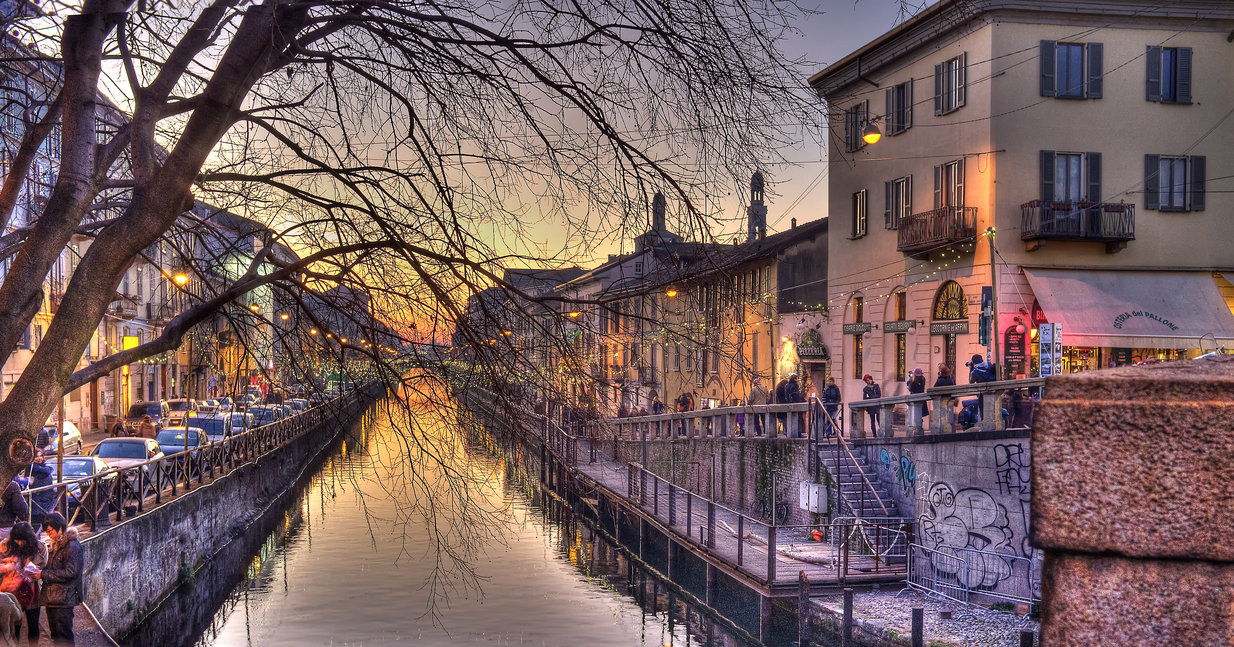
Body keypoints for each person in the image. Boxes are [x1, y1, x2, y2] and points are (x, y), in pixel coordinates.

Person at [33, 512, 83, 646]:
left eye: (50, 531)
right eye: (47, 532)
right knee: (56, 635)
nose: (49, 535)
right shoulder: (58, 544)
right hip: (54, 597)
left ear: (60, 528)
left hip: (64, 599)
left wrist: (42, 574)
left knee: (64, 636)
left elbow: (71, 572)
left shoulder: (72, 546)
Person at [1, 522, 46, 645]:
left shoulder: (39, 548)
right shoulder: (6, 546)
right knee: (14, 626)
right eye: (17, 540)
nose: (19, 543)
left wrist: (31, 572)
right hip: (11, 591)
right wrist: (7, 566)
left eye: (22, 540)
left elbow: (42, 566)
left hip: (31, 592)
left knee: (33, 624)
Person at [27, 451, 54, 530]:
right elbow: (45, 472)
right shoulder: (32, 469)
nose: (39, 458)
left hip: (44, 500)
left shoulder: (44, 468)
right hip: (36, 501)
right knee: (36, 524)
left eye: (41, 456)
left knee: (42, 524)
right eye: (36, 457)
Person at [934, 364, 957, 431]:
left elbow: (934, 389)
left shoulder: (939, 380)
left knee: (943, 417)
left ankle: (943, 429)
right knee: (950, 417)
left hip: (942, 401)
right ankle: (950, 429)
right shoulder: (949, 380)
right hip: (950, 400)